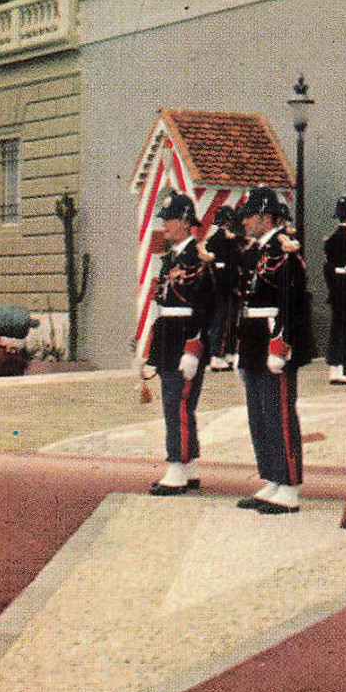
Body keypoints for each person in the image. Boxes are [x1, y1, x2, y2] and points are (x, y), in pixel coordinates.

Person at [233, 187, 312, 514]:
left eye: (250, 215)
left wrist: (281, 345)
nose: (246, 221)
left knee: (278, 412)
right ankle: (273, 477)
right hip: (253, 338)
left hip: (272, 338)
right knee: (259, 413)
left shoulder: (284, 251)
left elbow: (291, 304)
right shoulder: (258, 251)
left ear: (266, 217)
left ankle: (289, 483)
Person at [140, 193, 216, 495]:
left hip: (185, 337)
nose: (164, 225)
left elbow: (204, 307)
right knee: (179, 404)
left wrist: (193, 349)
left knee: (178, 405)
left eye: (169, 219)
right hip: (169, 337)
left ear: (185, 222)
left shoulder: (197, 259)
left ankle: (176, 467)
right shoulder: (171, 259)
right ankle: (189, 464)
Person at [322, 195, 346, 385]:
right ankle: (345, 367)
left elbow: (328, 268)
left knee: (337, 327)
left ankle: (335, 368)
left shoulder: (330, 240)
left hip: (336, 289)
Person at [203, 205, 240, 371]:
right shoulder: (224, 242)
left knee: (225, 321)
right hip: (225, 288)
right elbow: (228, 267)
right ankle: (217, 354)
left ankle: (223, 352)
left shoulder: (214, 241)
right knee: (223, 320)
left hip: (220, 289)